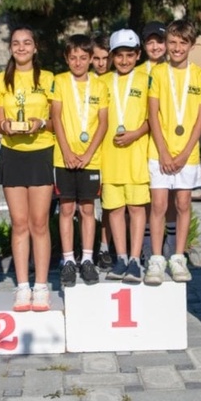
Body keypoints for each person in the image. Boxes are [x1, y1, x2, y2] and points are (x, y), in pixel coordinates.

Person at [0, 27, 57, 312]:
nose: (21, 47)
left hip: (41, 152)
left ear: (35, 47)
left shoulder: (48, 78)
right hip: (13, 154)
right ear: (11, 48)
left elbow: (56, 121)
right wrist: (6, 126)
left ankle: (41, 285)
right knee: (19, 223)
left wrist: (40, 123)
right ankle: (22, 286)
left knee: (39, 222)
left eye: (26, 43)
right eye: (16, 43)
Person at [145, 19, 201, 284]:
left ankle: (179, 257)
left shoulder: (200, 76)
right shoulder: (158, 74)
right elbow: (152, 115)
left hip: (187, 154)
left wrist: (185, 154)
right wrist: (163, 151)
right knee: (159, 205)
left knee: (183, 204)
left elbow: (199, 121)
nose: (176, 48)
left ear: (191, 45)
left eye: (182, 43)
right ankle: (156, 259)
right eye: (172, 42)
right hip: (158, 151)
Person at [50, 34, 110, 287]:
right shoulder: (59, 81)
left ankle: (86, 259)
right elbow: (56, 117)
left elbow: (103, 123)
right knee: (66, 209)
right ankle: (68, 261)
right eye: (73, 57)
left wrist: (87, 154)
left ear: (90, 60)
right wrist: (66, 151)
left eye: (83, 58)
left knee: (87, 209)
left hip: (90, 159)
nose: (78, 62)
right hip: (64, 158)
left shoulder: (99, 85)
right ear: (66, 58)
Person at [98, 29, 151, 282]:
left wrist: (136, 133)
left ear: (138, 55)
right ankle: (120, 258)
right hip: (109, 158)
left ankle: (135, 260)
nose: (124, 60)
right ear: (111, 56)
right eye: (119, 55)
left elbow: (155, 119)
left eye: (130, 55)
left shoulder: (145, 79)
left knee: (136, 208)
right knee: (115, 210)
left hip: (137, 156)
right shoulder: (102, 82)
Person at [140, 20, 179, 258]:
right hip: (145, 143)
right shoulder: (138, 72)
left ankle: (173, 243)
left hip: (173, 142)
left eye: (159, 41)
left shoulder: (178, 69)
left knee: (173, 197)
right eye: (150, 42)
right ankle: (147, 245)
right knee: (148, 197)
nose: (155, 47)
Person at [90, 32, 115, 269]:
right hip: (87, 151)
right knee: (84, 206)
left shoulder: (117, 79)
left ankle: (106, 247)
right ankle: (84, 248)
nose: (100, 63)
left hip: (112, 152)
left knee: (109, 204)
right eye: (96, 58)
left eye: (105, 58)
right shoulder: (84, 80)